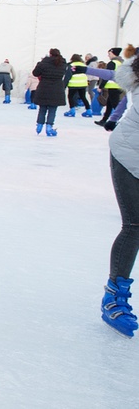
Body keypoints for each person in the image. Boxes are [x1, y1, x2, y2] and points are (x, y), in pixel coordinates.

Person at [81, 50, 139, 337]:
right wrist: (87, 70)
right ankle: (114, 298)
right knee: (134, 225)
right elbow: (116, 78)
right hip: (129, 155)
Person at [31, 48, 67, 136]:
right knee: (52, 109)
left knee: (42, 108)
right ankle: (49, 128)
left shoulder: (43, 63)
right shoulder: (63, 64)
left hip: (44, 88)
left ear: (50, 54)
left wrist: (40, 64)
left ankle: (39, 127)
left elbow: (35, 73)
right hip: (57, 89)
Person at [96, 47, 126, 126]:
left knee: (116, 105)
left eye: (109, 54)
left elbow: (107, 75)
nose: (108, 56)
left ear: (113, 53)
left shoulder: (112, 63)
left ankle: (121, 121)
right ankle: (104, 120)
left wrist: (101, 86)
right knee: (109, 104)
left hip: (113, 86)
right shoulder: (121, 62)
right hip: (119, 86)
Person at [63, 53, 93, 117]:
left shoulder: (71, 65)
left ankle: (72, 110)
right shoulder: (83, 65)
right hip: (83, 83)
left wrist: (64, 86)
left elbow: (68, 76)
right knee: (83, 97)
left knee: (70, 96)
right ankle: (88, 110)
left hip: (74, 83)